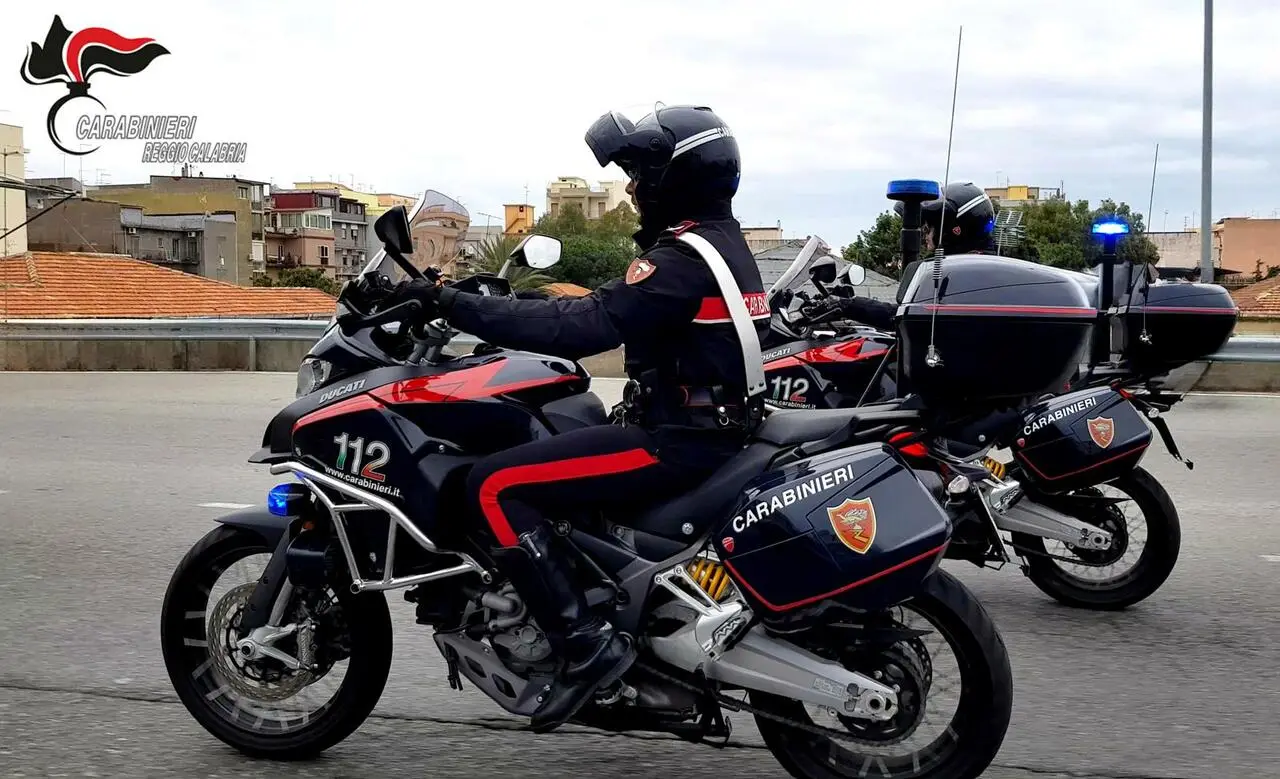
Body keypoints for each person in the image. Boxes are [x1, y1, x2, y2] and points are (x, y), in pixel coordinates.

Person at [393, 104, 768, 733]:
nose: (630, 186)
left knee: (494, 486)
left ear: (676, 179)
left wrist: (448, 302)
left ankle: (583, 644)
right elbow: (608, 307)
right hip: (712, 427)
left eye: (640, 174)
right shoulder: (718, 244)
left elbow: (584, 326)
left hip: (679, 441)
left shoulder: (680, 260)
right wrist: (516, 303)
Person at [837, 181, 997, 330]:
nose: (925, 235)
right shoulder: (987, 268)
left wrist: (848, 306)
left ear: (953, 230)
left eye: (929, 228)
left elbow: (906, 317)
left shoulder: (963, 273)